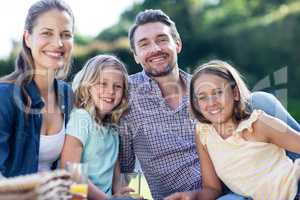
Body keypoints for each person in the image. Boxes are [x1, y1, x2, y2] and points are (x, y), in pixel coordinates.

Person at [118, 9, 300, 200]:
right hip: (204, 195)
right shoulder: (125, 95)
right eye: (144, 44)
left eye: (162, 39)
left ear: (177, 44)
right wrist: (125, 193)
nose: (155, 48)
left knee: (260, 100)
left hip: (241, 179)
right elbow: (120, 159)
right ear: (136, 56)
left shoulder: (204, 89)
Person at [166, 60, 300, 200]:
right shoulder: (203, 134)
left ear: (235, 93)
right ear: (197, 104)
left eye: (218, 92)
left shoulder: (258, 123)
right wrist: (191, 196)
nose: (212, 102)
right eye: (202, 97)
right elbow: (212, 189)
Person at [0, 0, 74, 177]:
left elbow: (75, 164)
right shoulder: (4, 96)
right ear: (27, 38)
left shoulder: (68, 94)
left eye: (66, 34)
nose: (58, 43)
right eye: (47, 33)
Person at [60, 55, 134, 200]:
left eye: (117, 86)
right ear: (87, 86)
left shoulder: (112, 128)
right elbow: (72, 175)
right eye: (103, 84)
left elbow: (116, 179)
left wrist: (124, 195)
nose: (111, 91)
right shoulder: (81, 118)